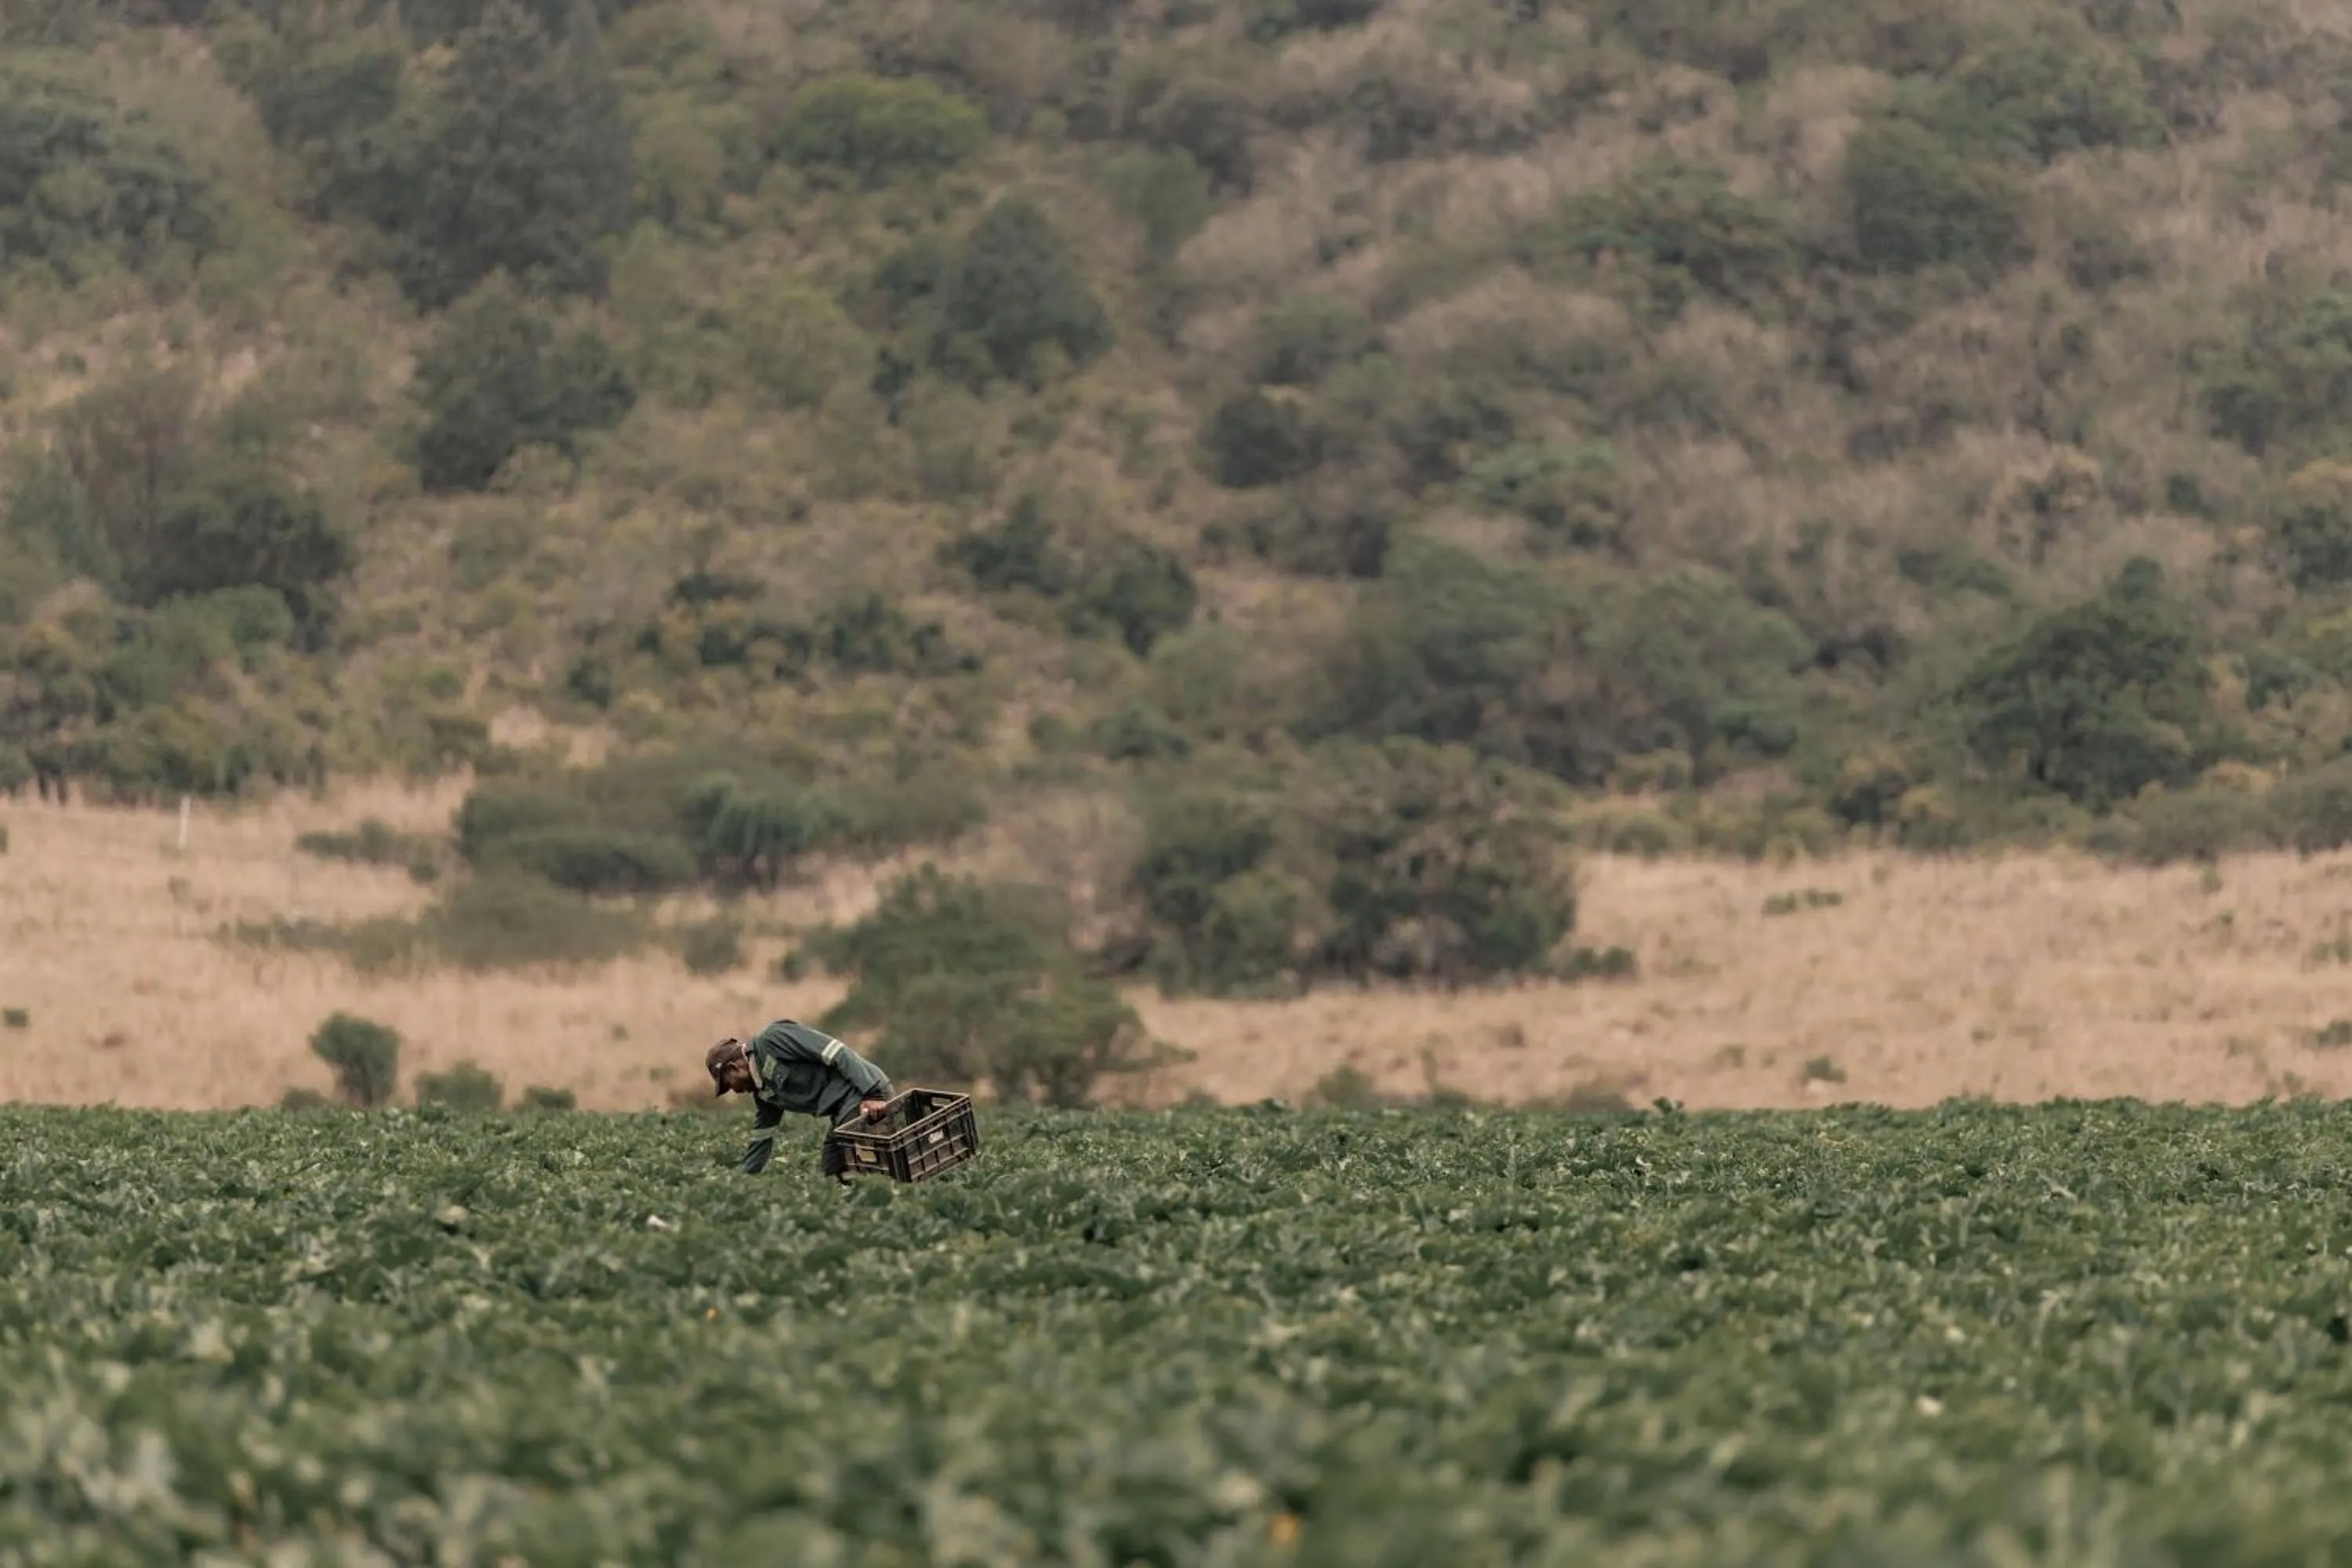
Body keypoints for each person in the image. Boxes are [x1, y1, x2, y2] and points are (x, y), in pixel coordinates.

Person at [706, 1020, 895, 1180]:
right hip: (843, 1109)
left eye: (729, 1084)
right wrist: (745, 1179)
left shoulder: (773, 1039)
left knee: (861, 1172)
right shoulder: (763, 1091)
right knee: (832, 1170)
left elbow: (836, 1051)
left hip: (861, 1095)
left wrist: (873, 1093)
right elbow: (763, 1135)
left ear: (734, 1068)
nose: (735, 1091)